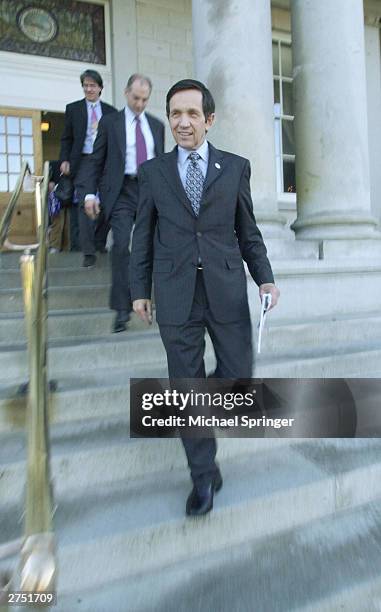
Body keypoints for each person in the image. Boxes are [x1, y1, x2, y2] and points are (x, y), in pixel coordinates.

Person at [130, 79, 280, 517]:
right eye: (175, 113)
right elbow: (143, 237)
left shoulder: (234, 168)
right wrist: (140, 290)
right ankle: (203, 477)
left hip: (226, 290)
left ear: (209, 120)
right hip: (176, 295)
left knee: (237, 375)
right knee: (185, 385)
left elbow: (248, 233)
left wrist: (265, 280)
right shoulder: (154, 172)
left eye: (192, 114)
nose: (182, 122)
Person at [80, 74, 165, 333]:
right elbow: (95, 160)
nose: (140, 104)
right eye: (136, 98)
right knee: (120, 245)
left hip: (150, 191)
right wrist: (89, 194)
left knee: (159, 246)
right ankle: (121, 310)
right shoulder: (110, 123)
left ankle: (161, 302)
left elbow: (163, 165)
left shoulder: (157, 126)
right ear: (127, 93)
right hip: (122, 192)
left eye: (145, 99)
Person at [59, 69, 117, 264]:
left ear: (100, 87)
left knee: (109, 203)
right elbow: (66, 138)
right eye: (86, 85)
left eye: (92, 85)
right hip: (83, 161)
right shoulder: (73, 109)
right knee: (85, 203)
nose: (89, 89)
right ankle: (89, 252)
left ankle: (100, 242)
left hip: (106, 162)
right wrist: (64, 160)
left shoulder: (111, 112)